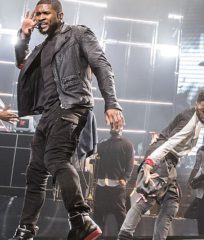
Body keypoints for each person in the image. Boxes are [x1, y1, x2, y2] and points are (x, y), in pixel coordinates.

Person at [10, 0, 124, 239]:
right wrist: (23, 35)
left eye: (46, 13)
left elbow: (101, 65)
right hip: (48, 114)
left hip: (72, 107)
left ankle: (81, 219)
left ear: (59, 15)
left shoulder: (78, 34)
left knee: (55, 158)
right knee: (35, 173)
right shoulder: (42, 48)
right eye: (37, 13)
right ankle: (26, 229)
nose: (40, 17)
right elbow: (22, 63)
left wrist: (112, 103)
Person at [118, 89, 204, 240]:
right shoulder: (190, 121)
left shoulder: (197, 120)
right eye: (203, 110)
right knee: (148, 197)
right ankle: (124, 236)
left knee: (171, 204)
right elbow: (170, 143)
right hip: (161, 157)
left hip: (169, 161)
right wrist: (150, 163)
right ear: (196, 105)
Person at [93, 127, 134, 235]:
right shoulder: (103, 144)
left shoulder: (127, 144)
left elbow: (130, 164)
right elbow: (96, 160)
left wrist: (125, 178)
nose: (114, 127)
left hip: (117, 186)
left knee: (121, 217)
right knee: (97, 216)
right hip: (101, 185)